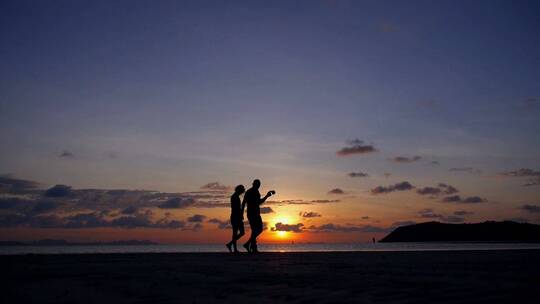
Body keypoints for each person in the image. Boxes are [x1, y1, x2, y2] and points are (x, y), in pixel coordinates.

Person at [242, 179, 275, 253]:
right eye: (257, 184)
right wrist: (241, 213)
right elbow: (244, 202)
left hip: (255, 213)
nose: (258, 186)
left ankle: (252, 247)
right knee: (258, 230)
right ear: (253, 184)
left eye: (259, 185)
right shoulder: (250, 192)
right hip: (253, 213)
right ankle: (250, 245)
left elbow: (258, 202)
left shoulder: (255, 192)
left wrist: (267, 196)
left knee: (255, 230)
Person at [226, 185, 246, 253]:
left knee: (240, 232)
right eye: (242, 190)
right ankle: (233, 247)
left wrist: (241, 215)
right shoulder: (234, 197)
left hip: (237, 216)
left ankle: (231, 245)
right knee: (236, 232)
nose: (242, 192)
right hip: (235, 216)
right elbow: (235, 208)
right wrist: (240, 215)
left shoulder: (236, 196)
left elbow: (238, 208)